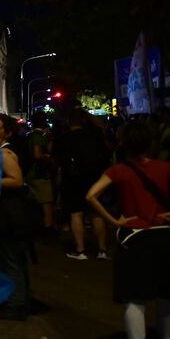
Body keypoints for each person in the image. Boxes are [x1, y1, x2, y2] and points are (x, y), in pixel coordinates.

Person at [85, 120, 170, 339]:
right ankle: (166, 338)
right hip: (165, 237)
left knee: (134, 298)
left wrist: (114, 221)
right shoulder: (166, 168)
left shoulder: (118, 170)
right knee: (167, 291)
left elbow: (91, 195)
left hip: (134, 237)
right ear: (151, 143)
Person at [0, 113, 33, 320]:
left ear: (8, 132)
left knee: (11, 260)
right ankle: (16, 300)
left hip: (12, 214)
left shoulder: (5, 154)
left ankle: (16, 305)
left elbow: (17, 180)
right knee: (9, 259)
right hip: (8, 213)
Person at [55, 108, 109, 260]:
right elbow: (102, 132)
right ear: (84, 120)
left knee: (76, 214)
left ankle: (80, 250)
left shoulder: (63, 138)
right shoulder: (94, 136)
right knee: (96, 213)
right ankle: (102, 250)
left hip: (72, 180)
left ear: (68, 121)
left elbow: (57, 160)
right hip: (94, 179)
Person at [27, 111, 57, 236]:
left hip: (33, 173)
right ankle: (47, 229)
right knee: (47, 202)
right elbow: (38, 154)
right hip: (40, 174)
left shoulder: (31, 135)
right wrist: (49, 157)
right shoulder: (38, 135)